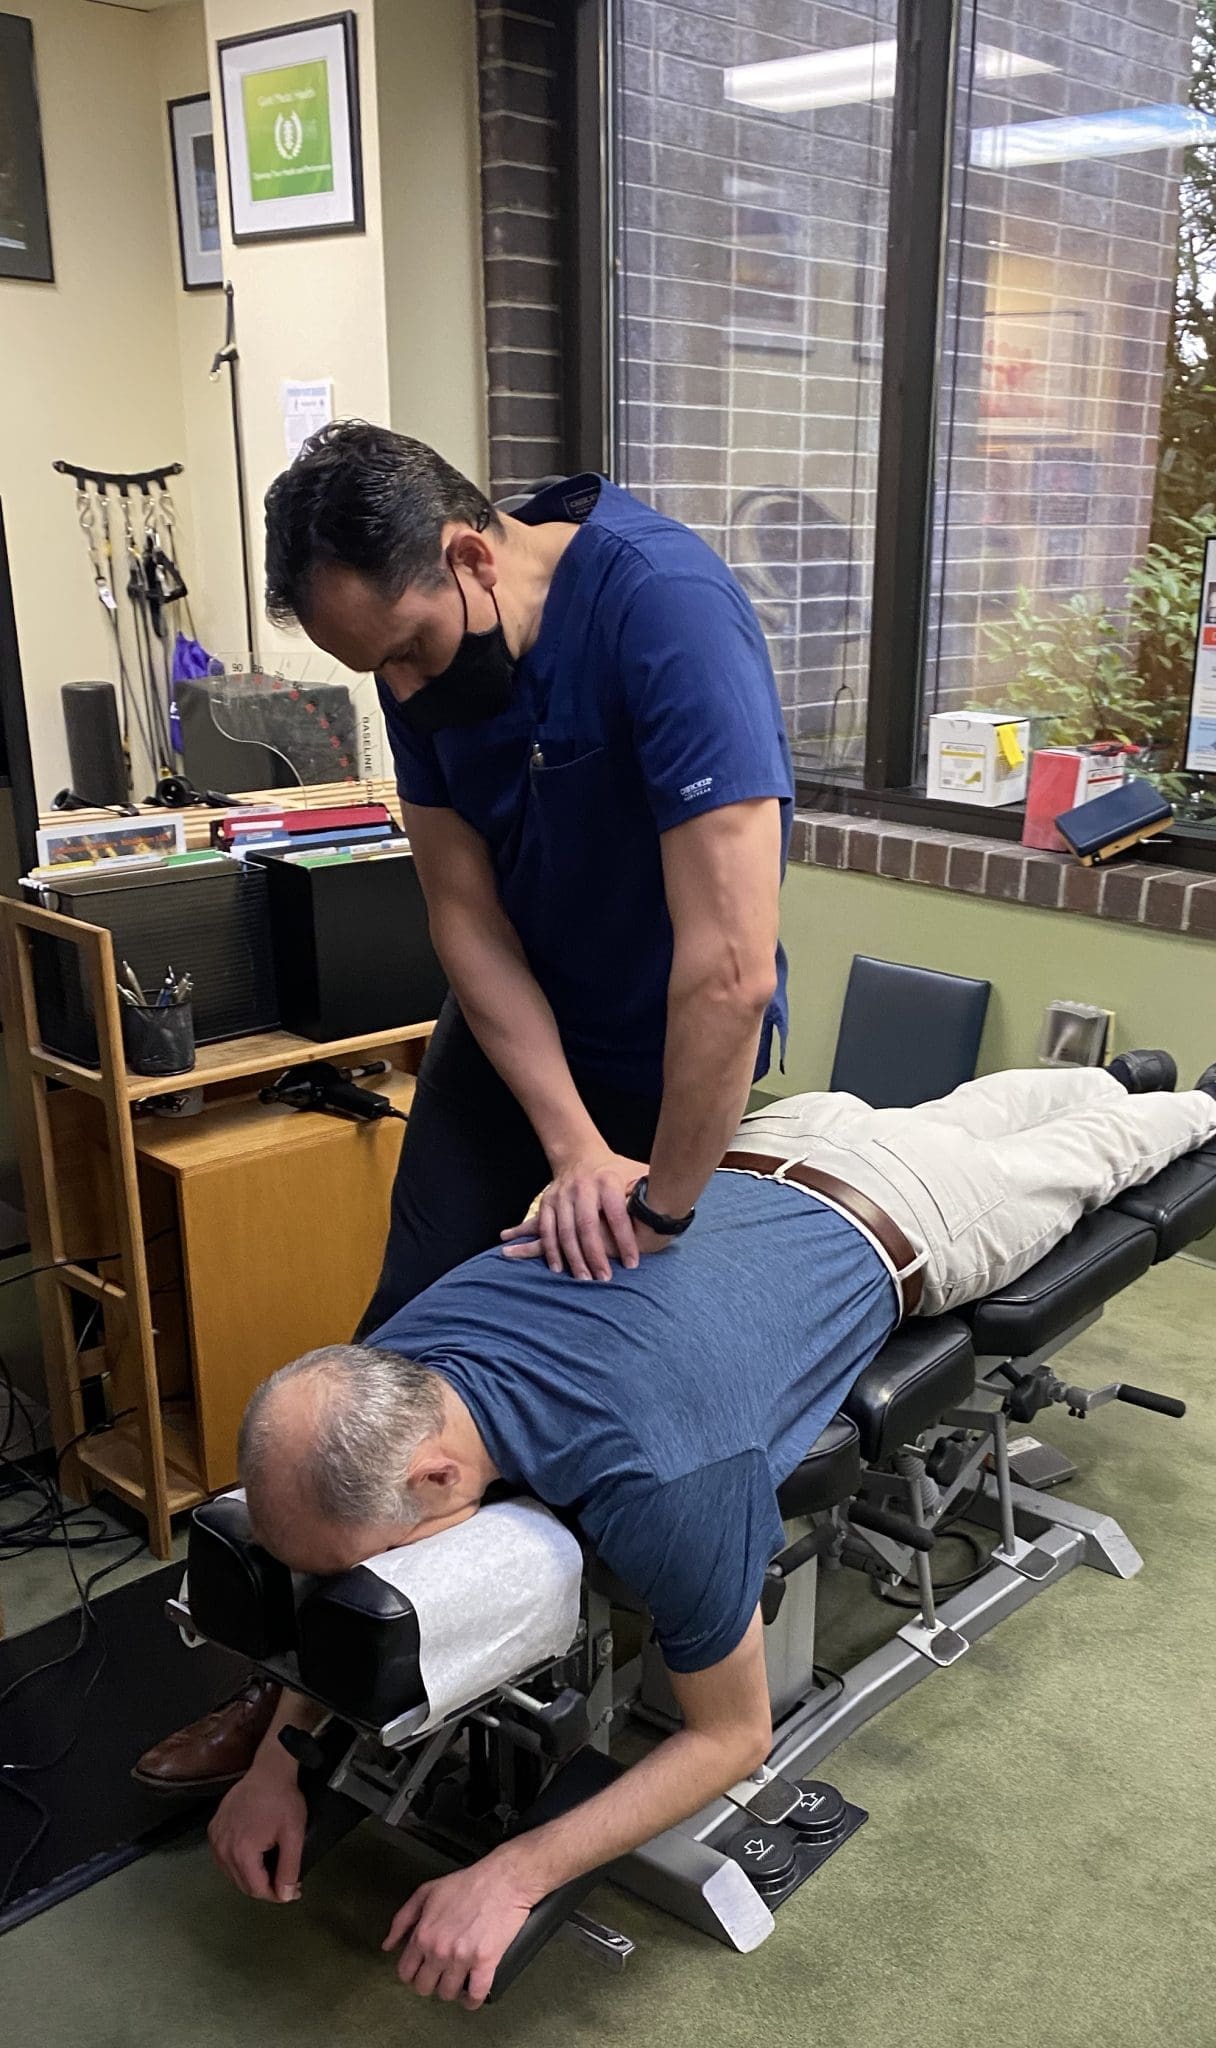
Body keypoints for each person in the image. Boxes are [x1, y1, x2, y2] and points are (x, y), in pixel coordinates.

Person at [205, 1052, 1216, 2007]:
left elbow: (733, 1734)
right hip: (768, 1143)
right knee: (966, 1104)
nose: (363, 1583)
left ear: (432, 1474)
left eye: (373, 1563)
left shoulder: (659, 1470)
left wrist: (514, 1869)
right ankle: (1114, 1071)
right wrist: (276, 1761)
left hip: (918, 1215)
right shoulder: (396, 1359)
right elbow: (328, 1558)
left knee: (1102, 1152)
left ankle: (1198, 1099)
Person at [135, 423, 795, 1794]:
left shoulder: (662, 612)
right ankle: (288, 1716)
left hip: (666, 1055)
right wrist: (561, 1142)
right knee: (386, 1376)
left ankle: (565, 1653)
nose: (399, 686)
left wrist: (657, 1200)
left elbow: (727, 972)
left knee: (607, 1380)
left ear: (472, 555)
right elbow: (461, 913)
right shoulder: (415, 650)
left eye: (410, 654)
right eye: (371, 665)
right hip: (510, 1051)